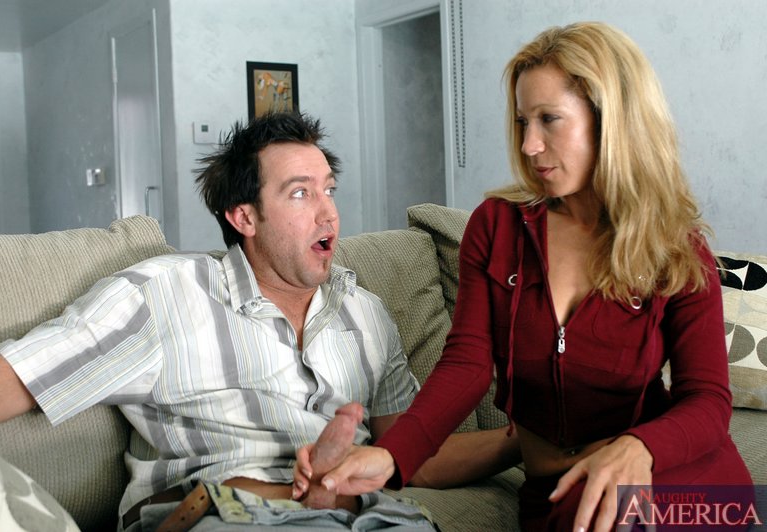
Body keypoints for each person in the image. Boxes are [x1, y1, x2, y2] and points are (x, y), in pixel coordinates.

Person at [294, 22, 754, 531]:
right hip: (562, 493)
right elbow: (466, 365)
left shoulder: (676, 248)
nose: (530, 144)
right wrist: (391, 455)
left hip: (679, 480)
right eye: (521, 122)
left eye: (549, 119)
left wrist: (639, 446)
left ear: (612, 120)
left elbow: (708, 399)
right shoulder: (498, 228)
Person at [0, 111, 518, 531]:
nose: (328, 211)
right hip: (225, 514)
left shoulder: (363, 311)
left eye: (328, 189)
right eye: (300, 193)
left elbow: (412, 456)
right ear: (244, 217)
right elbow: (9, 379)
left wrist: (525, 443)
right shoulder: (163, 295)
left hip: (366, 516)